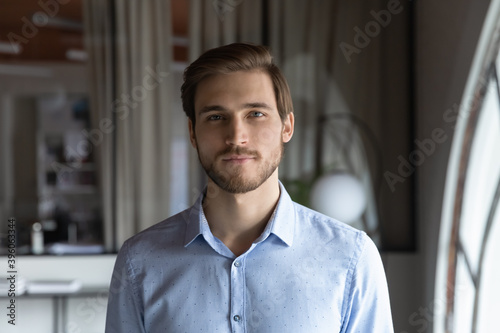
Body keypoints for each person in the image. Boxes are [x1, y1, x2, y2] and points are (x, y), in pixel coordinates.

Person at [105, 43, 394, 333]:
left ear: (287, 126)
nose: (236, 137)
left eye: (255, 114)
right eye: (216, 117)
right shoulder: (139, 261)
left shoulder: (351, 257)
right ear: (193, 133)